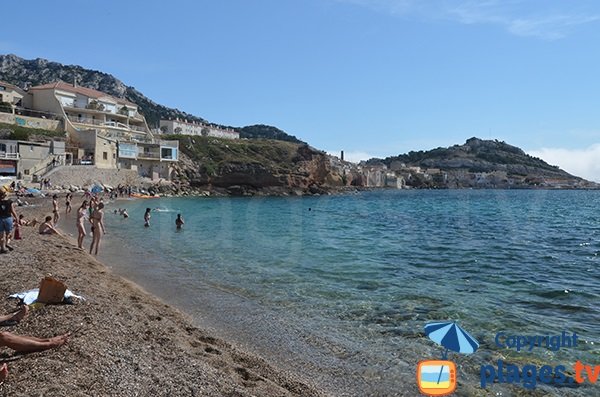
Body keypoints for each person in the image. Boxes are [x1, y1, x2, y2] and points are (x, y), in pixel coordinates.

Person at [0, 190, 18, 254]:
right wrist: (16, 218)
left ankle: (2, 248)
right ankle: (7, 243)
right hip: (8, 219)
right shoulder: (9, 202)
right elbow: (13, 211)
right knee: (9, 233)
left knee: (1, 235)